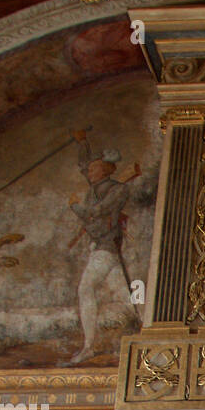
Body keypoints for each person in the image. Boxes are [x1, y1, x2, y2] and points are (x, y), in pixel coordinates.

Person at [67, 129, 140, 365]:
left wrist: (76, 207)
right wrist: (83, 142)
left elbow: (96, 212)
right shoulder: (95, 185)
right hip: (99, 246)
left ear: (104, 170)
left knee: (85, 289)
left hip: (107, 247)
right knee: (125, 296)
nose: (88, 171)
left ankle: (89, 347)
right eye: (89, 169)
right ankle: (138, 336)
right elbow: (82, 163)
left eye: (93, 168)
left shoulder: (119, 190)